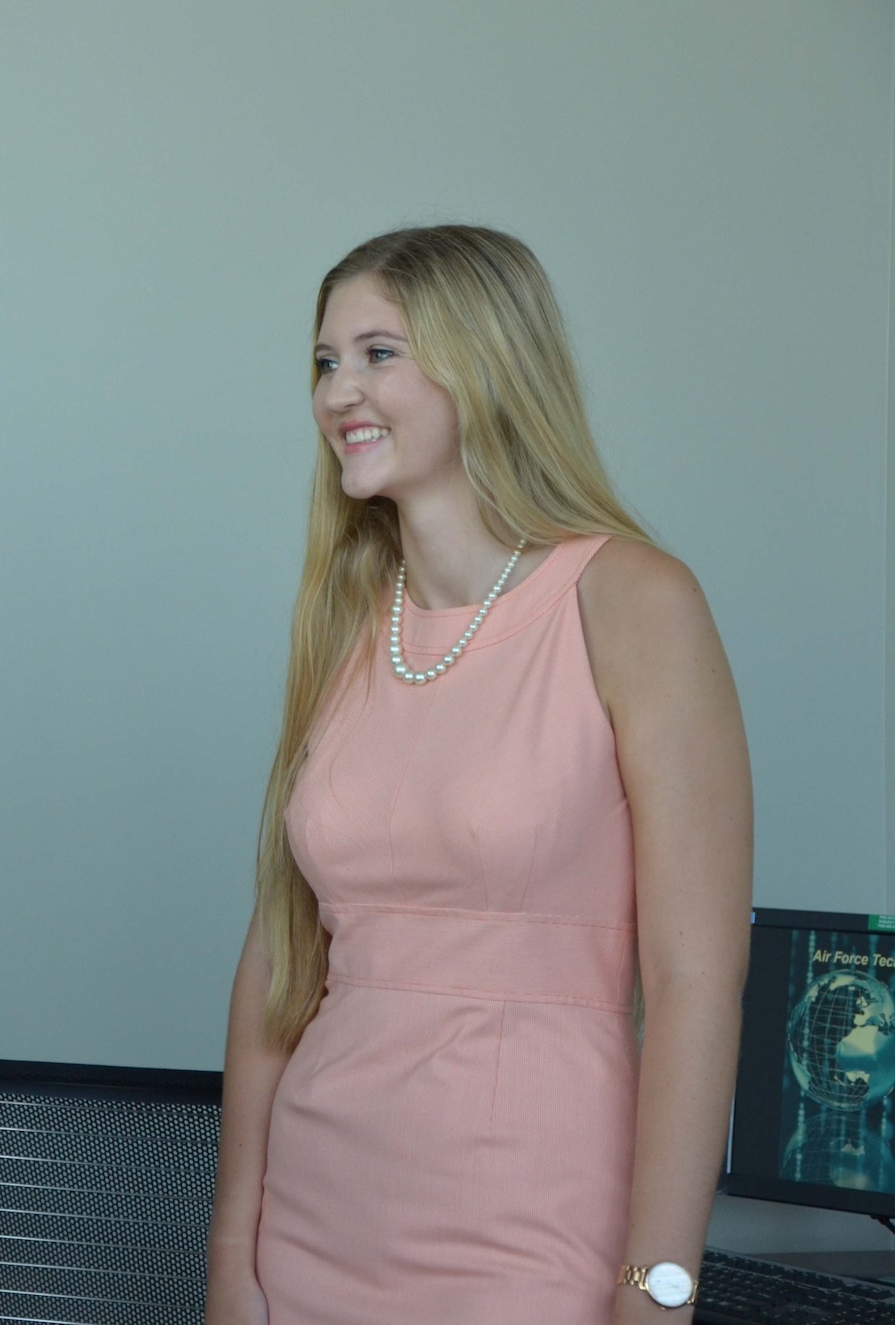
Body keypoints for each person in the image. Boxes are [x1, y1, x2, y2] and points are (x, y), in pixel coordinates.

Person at [203, 226, 751, 1324]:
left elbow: (694, 982)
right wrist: (229, 1253)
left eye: (375, 353)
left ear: (482, 362)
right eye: (323, 361)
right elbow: (280, 951)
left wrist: (657, 1288)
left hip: (532, 1234)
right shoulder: (352, 624)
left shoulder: (633, 599)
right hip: (310, 1226)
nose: (336, 392)